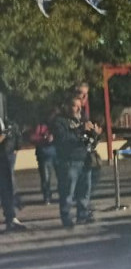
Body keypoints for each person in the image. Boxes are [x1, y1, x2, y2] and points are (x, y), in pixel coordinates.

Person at [52, 95, 99, 229]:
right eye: (75, 106)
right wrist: (80, 130)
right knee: (68, 191)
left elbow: (90, 140)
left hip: (84, 159)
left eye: (80, 106)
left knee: (85, 190)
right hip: (69, 161)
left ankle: (82, 214)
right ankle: (66, 217)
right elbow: (64, 139)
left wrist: (95, 133)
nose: (79, 109)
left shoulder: (82, 120)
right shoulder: (60, 122)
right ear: (67, 107)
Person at [29, 110, 57, 205]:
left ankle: (63, 195)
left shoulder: (57, 125)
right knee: (45, 177)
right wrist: (44, 138)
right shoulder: (40, 126)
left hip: (57, 153)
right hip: (44, 155)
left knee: (62, 177)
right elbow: (32, 137)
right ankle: (47, 196)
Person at [0, 112, 23, 229]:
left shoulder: (8, 122)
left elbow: (17, 136)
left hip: (5, 159)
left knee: (7, 189)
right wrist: (3, 136)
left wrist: (15, 148)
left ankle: (11, 218)